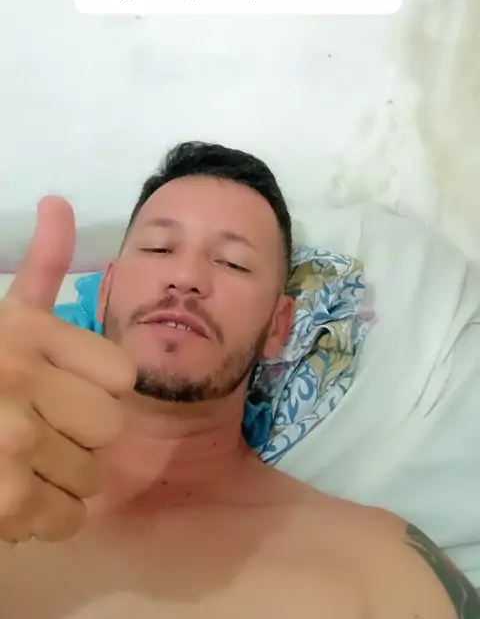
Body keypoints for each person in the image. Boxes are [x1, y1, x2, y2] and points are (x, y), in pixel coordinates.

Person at [0, 140, 478, 618]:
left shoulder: (378, 565)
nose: (186, 277)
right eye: (159, 248)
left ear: (277, 327)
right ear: (104, 291)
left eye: (233, 263)